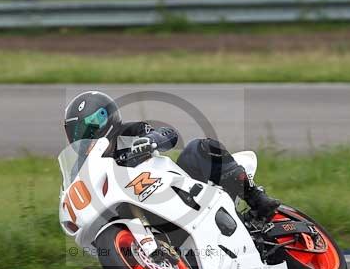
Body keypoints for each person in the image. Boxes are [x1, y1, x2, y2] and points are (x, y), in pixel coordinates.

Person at [63, 91, 280, 219]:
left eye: (90, 127)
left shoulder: (128, 132)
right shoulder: (83, 167)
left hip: (177, 188)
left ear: (107, 118)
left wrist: (151, 141)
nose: (85, 136)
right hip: (136, 208)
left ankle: (254, 196)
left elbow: (168, 134)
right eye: (78, 132)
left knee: (197, 148)